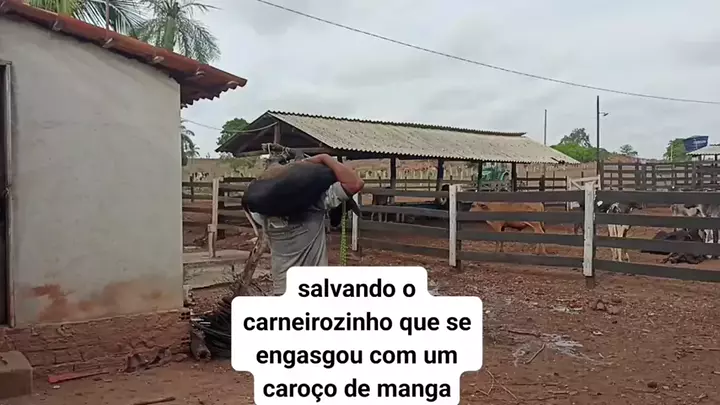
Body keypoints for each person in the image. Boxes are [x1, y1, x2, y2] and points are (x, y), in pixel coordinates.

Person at [249, 153, 364, 295]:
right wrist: (324, 158)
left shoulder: (262, 215)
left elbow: (263, 195)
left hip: (282, 290)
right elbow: (355, 183)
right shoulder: (314, 205)